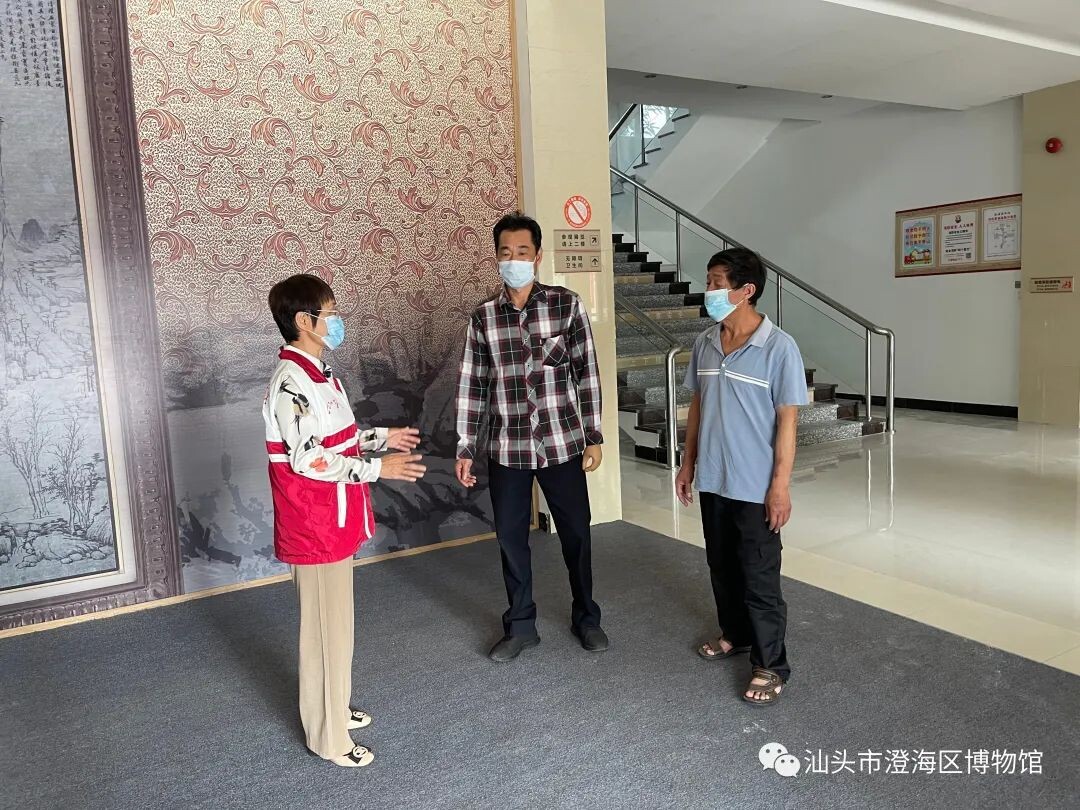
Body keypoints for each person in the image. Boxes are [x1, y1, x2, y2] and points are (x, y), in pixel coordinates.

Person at [263, 274, 427, 767]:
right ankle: (327, 737)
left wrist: (381, 439)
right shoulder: (290, 383)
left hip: (335, 520)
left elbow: (340, 436)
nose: (337, 322)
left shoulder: (320, 375)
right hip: (313, 525)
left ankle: (335, 708)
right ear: (304, 320)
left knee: (338, 626)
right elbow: (307, 459)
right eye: (330, 313)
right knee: (323, 633)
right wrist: (378, 469)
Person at [455, 212, 608, 662]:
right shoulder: (483, 317)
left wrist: (594, 435)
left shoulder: (566, 305)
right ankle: (521, 625)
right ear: (496, 257)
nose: (514, 260)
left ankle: (587, 617)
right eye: (506, 252)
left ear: (537, 256)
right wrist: (466, 446)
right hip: (508, 448)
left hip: (562, 443)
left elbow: (586, 372)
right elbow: (472, 385)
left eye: (522, 252)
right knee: (511, 539)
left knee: (577, 534)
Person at [675, 248, 808, 706]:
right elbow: (698, 405)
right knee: (722, 566)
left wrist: (780, 486)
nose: (709, 290)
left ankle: (771, 664)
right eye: (709, 281)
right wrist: (688, 462)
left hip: (755, 485)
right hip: (714, 478)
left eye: (717, 282)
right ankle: (735, 634)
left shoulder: (779, 348)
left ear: (746, 290)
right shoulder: (705, 342)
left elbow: (787, 423)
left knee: (759, 576)